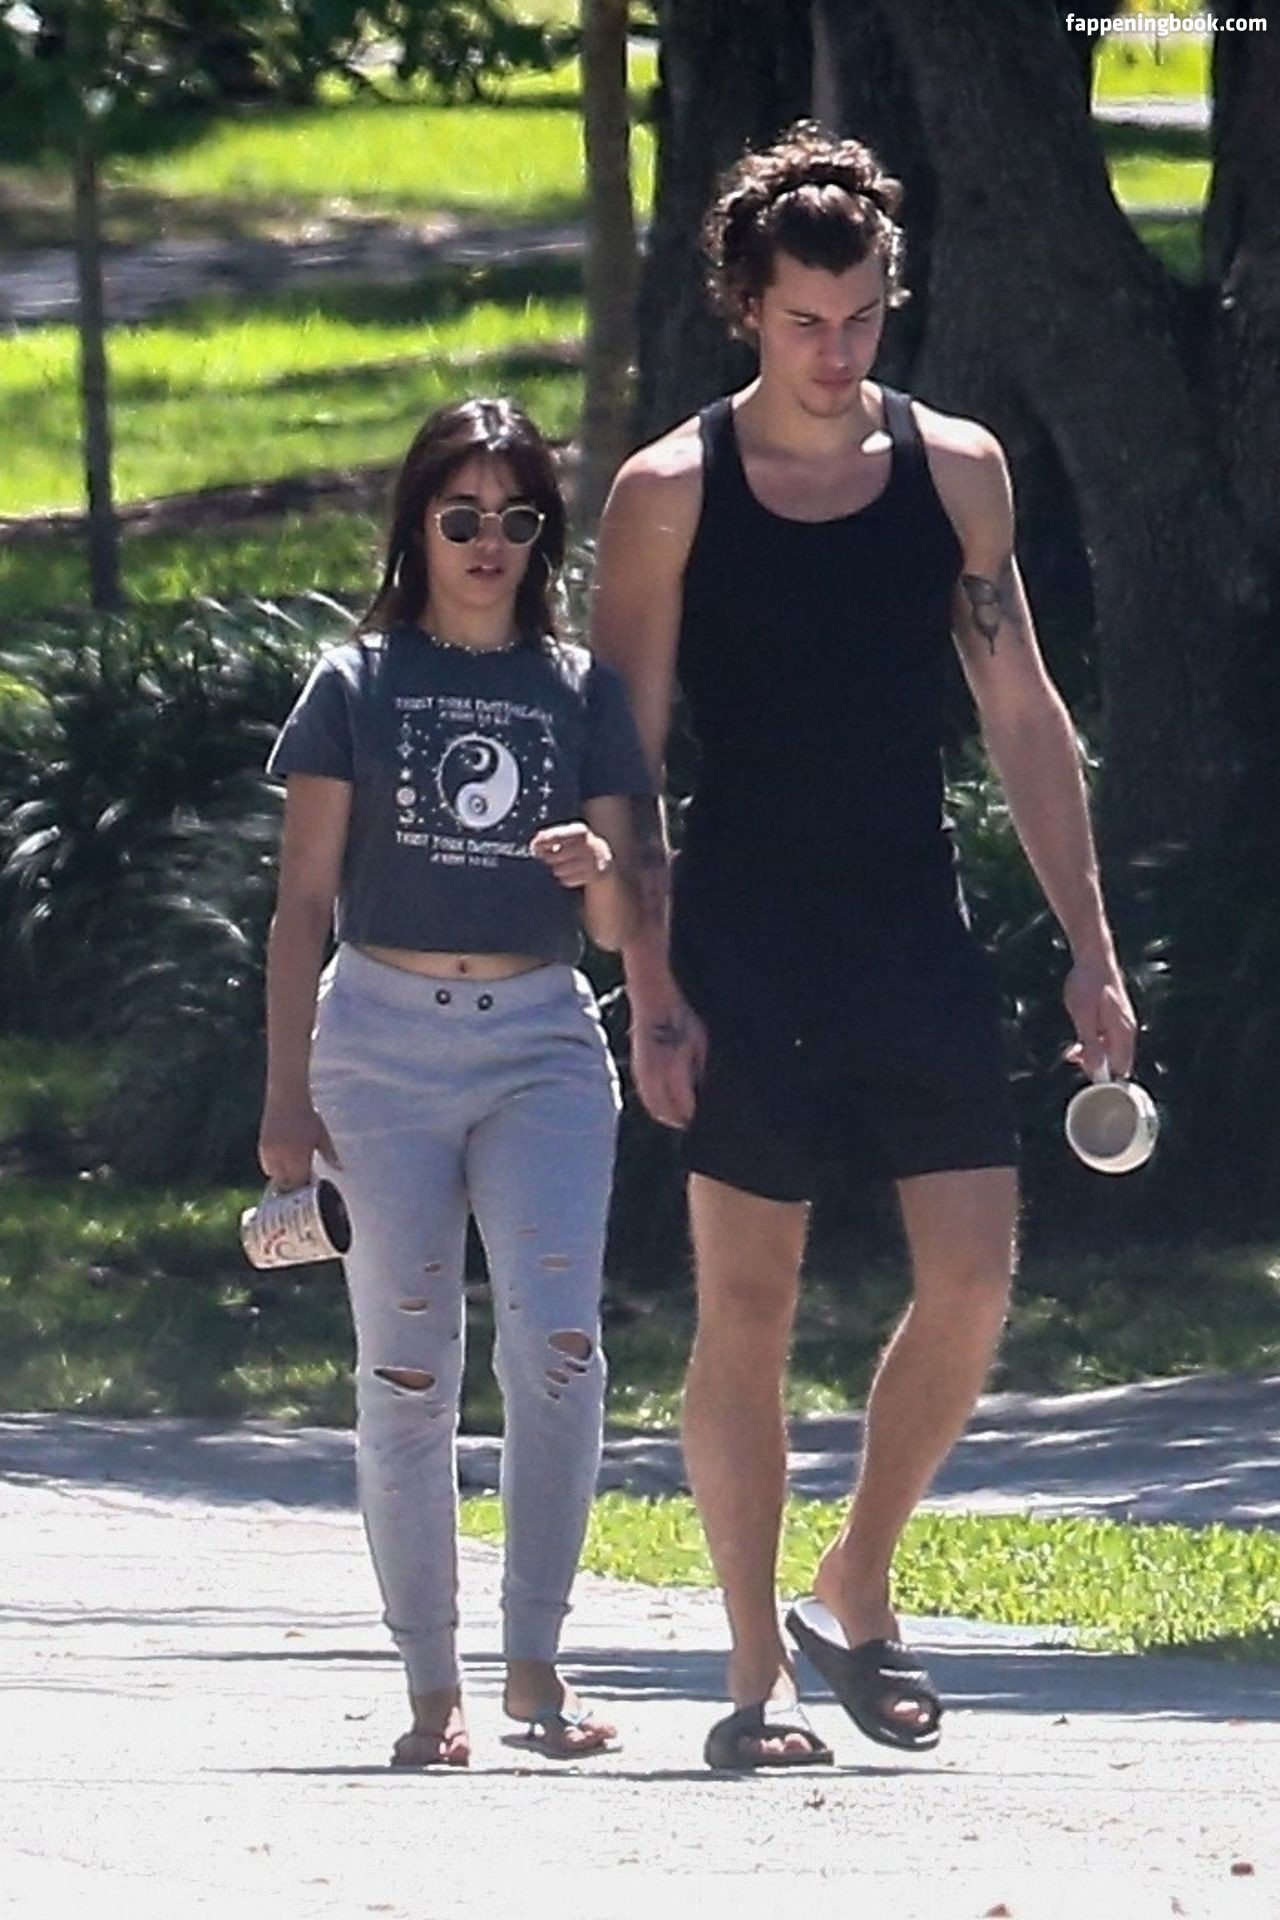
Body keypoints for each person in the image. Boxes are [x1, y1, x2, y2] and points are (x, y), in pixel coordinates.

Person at [591, 123, 1137, 1770]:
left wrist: (1091, 947)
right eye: (805, 323)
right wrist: (651, 985)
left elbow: (1024, 713)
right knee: (747, 1305)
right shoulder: (668, 494)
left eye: (863, 319)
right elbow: (623, 760)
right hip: (741, 930)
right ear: (747, 309)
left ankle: (859, 1580)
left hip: (910, 919)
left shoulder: (957, 471)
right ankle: (753, 1673)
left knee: (971, 1278)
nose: (837, 354)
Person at [259, 396, 655, 1768]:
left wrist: (597, 873)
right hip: (377, 1041)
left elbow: (621, 924)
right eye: (462, 516)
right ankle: (433, 1687)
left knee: (558, 1345)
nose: (489, 543)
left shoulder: (579, 690)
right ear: (418, 526)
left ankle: (537, 1664)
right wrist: (286, 1102)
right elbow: (300, 906)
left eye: (517, 519)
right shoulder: (355, 683)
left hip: (540, 1037)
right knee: (407, 1362)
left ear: (544, 539)